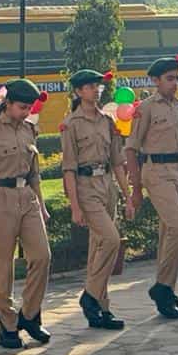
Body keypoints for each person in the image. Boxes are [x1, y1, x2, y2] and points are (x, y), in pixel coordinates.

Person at [0, 79, 53, 349]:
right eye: (21, 107)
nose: (26, 112)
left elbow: (34, 173)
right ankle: (7, 323)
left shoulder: (30, 129)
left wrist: (41, 205)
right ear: (7, 104)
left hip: (27, 198)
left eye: (29, 107)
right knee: (2, 265)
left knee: (42, 256)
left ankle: (29, 315)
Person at [126, 55, 178, 320]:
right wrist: (135, 189)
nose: (174, 83)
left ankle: (168, 293)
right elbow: (131, 149)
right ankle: (162, 287)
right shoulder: (146, 108)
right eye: (169, 79)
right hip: (156, 170)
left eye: (177, 78)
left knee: (169, 233)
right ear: (156, 81)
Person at [62, 69, 133, 329]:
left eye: (97, 86)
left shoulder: (107, 120)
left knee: (98, 248)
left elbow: (117, 161)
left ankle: (101, 308)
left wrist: (127, 195)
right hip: (85, 186)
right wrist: (75, 206)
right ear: (78, 91)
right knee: (112, 239)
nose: (96, 90)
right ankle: (90, 295)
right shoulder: (71, 124)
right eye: (90, 87)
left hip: (106, 185)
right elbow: (68, 168)